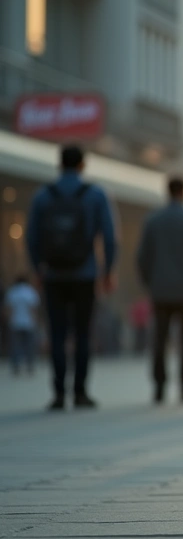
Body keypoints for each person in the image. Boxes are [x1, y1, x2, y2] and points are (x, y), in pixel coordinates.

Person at [26, 144, 118, 411]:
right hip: (85, 274)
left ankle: (57, 393)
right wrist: (108, 270)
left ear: (59, 164)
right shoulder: (96, 194)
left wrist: (37, 268)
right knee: (82, 334)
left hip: (53, 274)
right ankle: (80, 392)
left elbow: (31, 237)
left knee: (56, 333)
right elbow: (110, 237)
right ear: (82, 165)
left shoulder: (43, 196)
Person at [136, 177, 183, 404]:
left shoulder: (153, 221)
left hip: (160, 289)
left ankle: (159, 386)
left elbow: (143, 257)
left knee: (160, 338)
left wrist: (151, 282)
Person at [5, 275, 40, 376]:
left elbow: (8, 309)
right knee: (30, 345)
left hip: (15, 322)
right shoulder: (30, 292)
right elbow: (33, 309)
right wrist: (35, 320)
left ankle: (16, 366)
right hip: (29, 323)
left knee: (15, 346)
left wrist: (9, 320)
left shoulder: (12, 292)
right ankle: (30, 365)